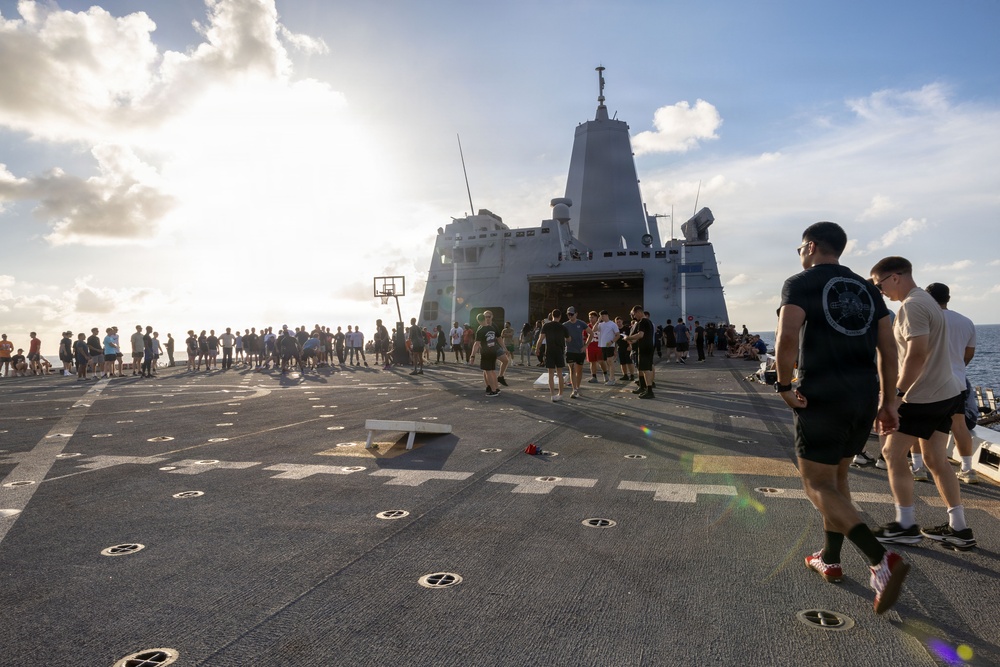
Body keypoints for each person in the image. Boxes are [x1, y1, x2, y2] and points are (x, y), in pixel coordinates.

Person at [776, 221, 906, 614]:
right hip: (863, 396)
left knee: (816, 484)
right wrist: (889, 401)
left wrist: (784, 386)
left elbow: (786, 338)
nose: (800, 253)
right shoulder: (869, 289)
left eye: (800, 247)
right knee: (838, 479)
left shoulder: (799, 283)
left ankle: (880, 559)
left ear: (811, 246)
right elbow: (888, 349)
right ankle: (829, 559)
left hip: (823, 396)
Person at [869, 256, 975, 551]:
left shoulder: (912, 306)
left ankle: (905, 525)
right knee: (935, 460)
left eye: (880, 285)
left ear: (895, 277)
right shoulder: (927, 301)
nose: (881, 292)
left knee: (891, 452)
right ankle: (959, 528)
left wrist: (896, 395)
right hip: (948, 391)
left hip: (922, 394)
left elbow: (917, 354)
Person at [925, 283, 979, 484]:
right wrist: (957, 367)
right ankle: (967, 469)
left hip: (928, 380)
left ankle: (919, 466)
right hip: (956, 381)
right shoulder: (966, 322)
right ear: (948, 297)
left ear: (929, 298)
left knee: (921, 424)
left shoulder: (927, 319)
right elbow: (969, 354)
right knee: (959, 425)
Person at [535, 308, 570, 402]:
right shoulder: (563, 327)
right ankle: (561, 394)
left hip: (549, 351)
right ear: (560, 316)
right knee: (559, 373)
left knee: (550, 374)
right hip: (559, 351)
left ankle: (552, 395)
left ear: (552, 316)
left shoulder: (546, 326)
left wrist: (537, 349)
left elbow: (540, 338)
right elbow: (569, 339)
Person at [624, 306, 655, 398]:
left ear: (638, 312)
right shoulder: (649, 322)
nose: (634, 316)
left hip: (644, 348)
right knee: (644, 369)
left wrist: (628, 338)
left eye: (634, 314)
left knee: (645, 370)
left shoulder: (642, 322)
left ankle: (649, 391)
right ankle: (645, 388)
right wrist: (632, 340)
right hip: (648, 347)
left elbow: (640, 335)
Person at [471, 310, 502, 396]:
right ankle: (496, 388)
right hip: (493, 351)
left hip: (486, 352)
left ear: (478, 321)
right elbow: (497, 338)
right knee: (492, 371)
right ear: (485, 318)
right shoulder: (491, 328)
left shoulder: (480, 330)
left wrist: (472, 356)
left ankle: (493, 390)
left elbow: (476, 344)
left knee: (488, 371)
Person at [562, 306, 591, 398]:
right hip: (570, 350)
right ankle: (574, 389)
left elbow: (591, 333)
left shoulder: (581, 323)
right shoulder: (565, 325)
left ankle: (578, 387)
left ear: (576, 314)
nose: (570, 316)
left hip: (580, 350)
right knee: (572, 369)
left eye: (571, 314)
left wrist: (586, 345)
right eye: (568, 314)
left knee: (579, 370)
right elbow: (560, 335)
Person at [597, 310, 619, 385]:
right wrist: (598, 321)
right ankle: (611, 377)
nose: (602, 318)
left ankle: (612, 379)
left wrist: (612, 342)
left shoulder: (612, 324)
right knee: (607, 362)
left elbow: (618, 335)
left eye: (603, 316)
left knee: (610, 361)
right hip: (603, 345)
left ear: (606, 315)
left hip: (610, 345)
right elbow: (594, 330)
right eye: (601, 316)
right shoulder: (601, 324)